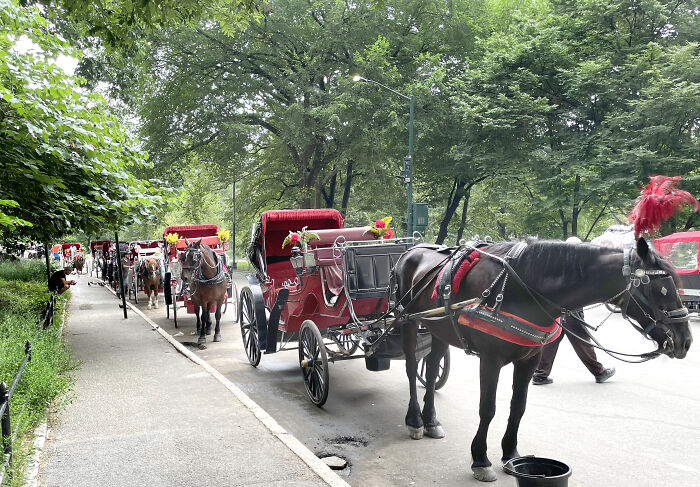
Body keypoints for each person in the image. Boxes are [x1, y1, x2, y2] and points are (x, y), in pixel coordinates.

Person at [531, 236, 615, 385]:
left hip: (558, 310)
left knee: (552, 340)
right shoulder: (572, 266)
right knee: (582, 341)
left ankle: (540, 374)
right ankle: (599, 372)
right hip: (570, 311)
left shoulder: (561, 264)